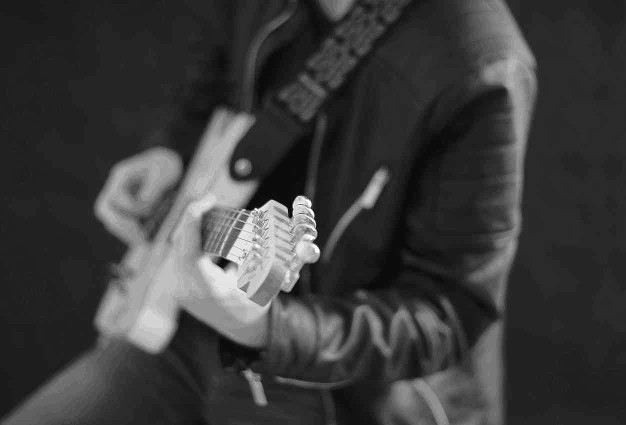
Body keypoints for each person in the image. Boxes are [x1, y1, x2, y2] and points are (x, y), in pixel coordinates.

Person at [2, 0, 537, 424]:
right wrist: (173, 150)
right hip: (188, 331)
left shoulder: (481, 65)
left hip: (351, 398)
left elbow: (445, 314)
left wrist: (267, 329)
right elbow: (223, 72)